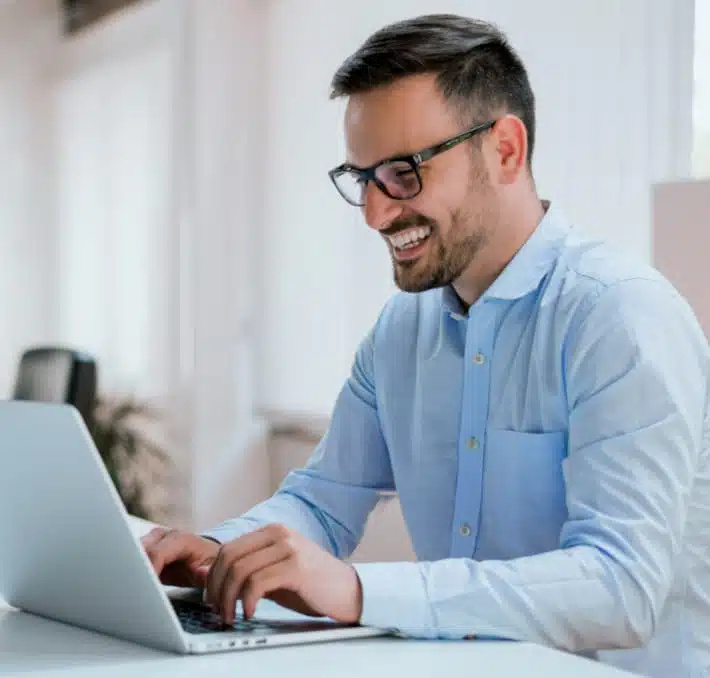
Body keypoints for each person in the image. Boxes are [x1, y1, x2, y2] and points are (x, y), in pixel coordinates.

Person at [142, 14, 710, 676]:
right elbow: (325, 498)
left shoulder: (618, 316)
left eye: (403, 174)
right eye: (362, 179)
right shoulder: (401, 330)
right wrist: (214, 550)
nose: (376, 214)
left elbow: (621, 590)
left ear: (505, 150)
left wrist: (356, 591)